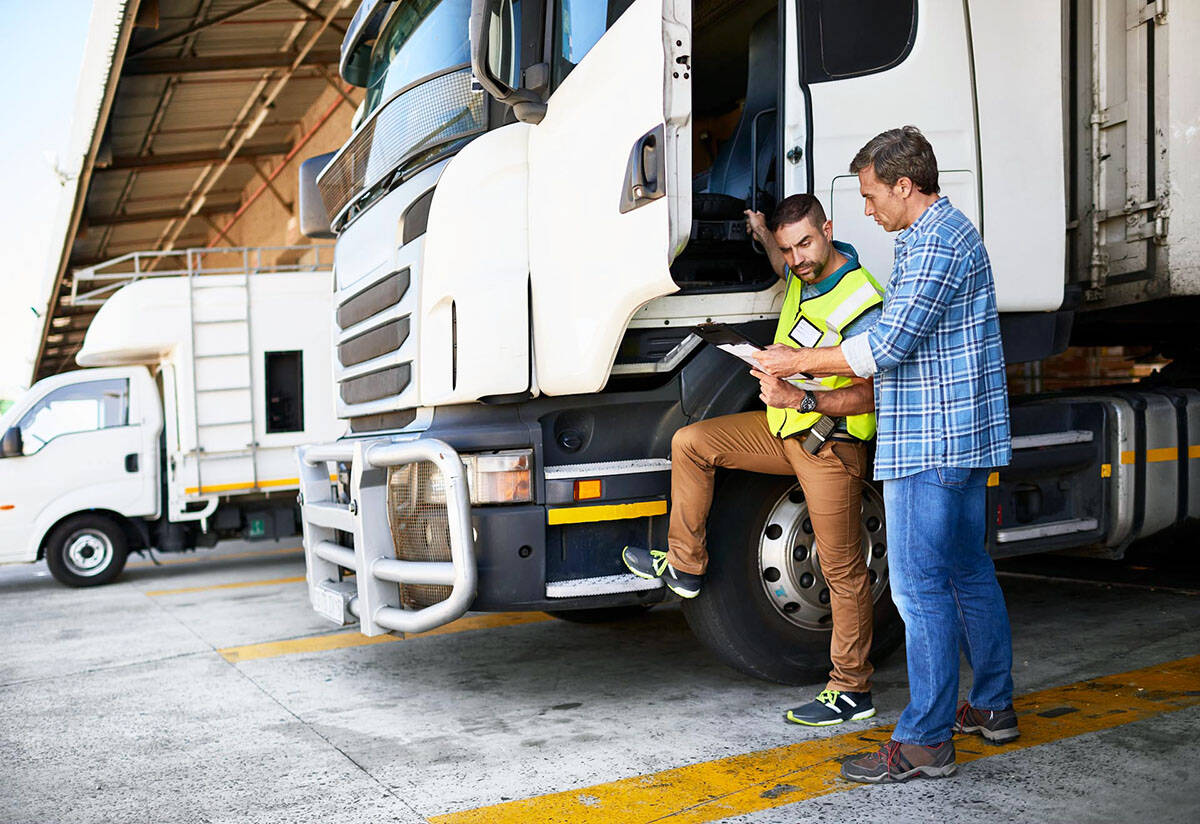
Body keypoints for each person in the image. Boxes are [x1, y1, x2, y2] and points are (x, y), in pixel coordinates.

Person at [753, 126, 1017, 782]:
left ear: (905, 186)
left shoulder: (933, 244)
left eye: (873, 196)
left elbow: (885, 348)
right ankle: (991, 706)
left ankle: (926, 740)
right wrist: (808, 391)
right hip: (954, 436)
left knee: (920, 589)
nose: (867, 211)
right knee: (966, 572)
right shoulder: (945, 237)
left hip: (931, 443)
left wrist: (794, 361)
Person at [623, 194, 887, 726]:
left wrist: (803, 398)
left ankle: (852, 689)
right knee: (692, 443)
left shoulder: (861, 301)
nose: (797, 260)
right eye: (789, 250)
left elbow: (873, 395)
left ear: (829, 230)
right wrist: (765, 233)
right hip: (786, 430)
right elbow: (780, 261)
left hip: (830, 446)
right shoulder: (800, 272)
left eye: (806, 245)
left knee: (842, 571)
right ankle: (686, 567)